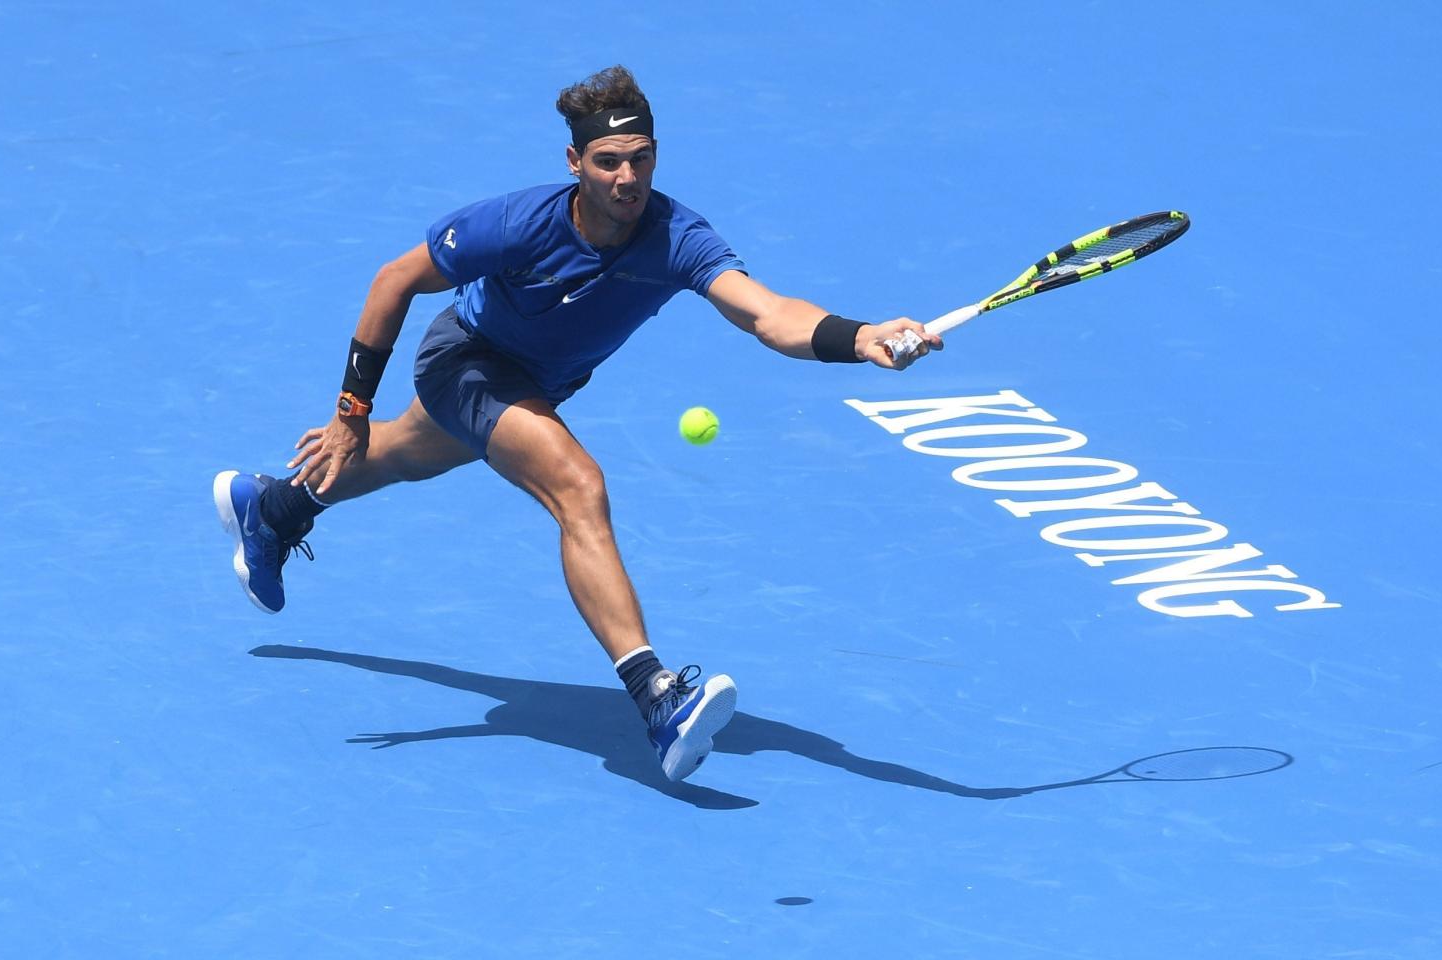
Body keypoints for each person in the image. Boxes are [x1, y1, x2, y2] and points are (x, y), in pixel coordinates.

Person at [214, 65, 941, 783]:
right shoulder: (516, 224)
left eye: (642, 159)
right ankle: (659, 698)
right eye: (608, 162)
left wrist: (861, 336)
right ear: (575, 162)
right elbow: (393, 280)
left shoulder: (675, 236)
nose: (628, 179)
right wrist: (350, 413)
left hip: (537, 384)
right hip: (466, 361)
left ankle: (274, 508)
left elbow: (767, 312)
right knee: (577, 485)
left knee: (402, 456)